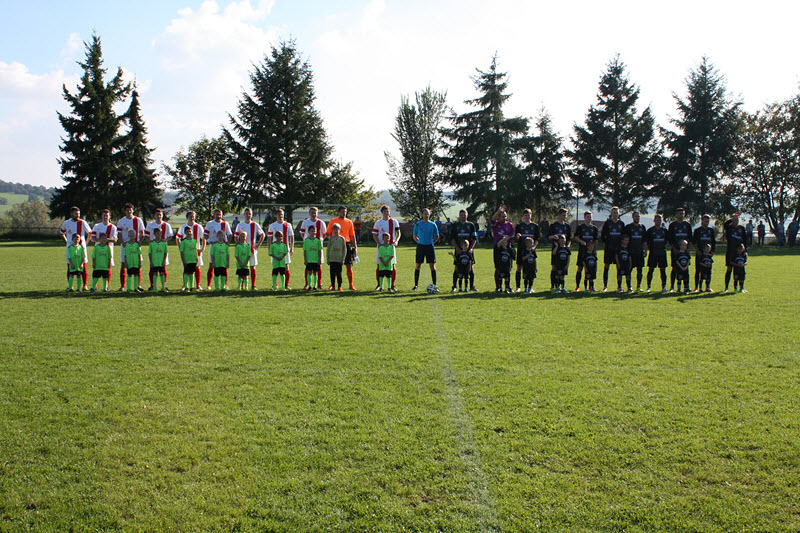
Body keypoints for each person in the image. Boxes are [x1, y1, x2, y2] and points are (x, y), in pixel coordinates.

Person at [60, 206, 92, 291]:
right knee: (70, 266)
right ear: (71, 214)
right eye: (76, 213)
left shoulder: (83, 222)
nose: (77, 215)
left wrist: (86, 242)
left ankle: (84, 285)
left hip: (81, 248)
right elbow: (61, 233)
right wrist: (67, 242)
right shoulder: (66, 223)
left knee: (83, 265)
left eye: (78, 213)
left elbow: (90, 232)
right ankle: (70, 286)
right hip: (71, 248)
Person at [325, 206, 357, 290]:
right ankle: (333, 285)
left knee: (348, 265)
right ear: (338, 212)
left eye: (345, 212)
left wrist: (355, 247)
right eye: (342, 211)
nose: (344, 213)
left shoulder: (349, 222)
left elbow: (352, 235)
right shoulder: (333, 221)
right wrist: (332, 240)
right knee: (335, 266)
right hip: (336, 244)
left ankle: (351, 284)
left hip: (346, 244)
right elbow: (327, 233)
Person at [234, 207, 265, 290]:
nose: (248, 215)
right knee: (243, 267)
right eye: (247, 213)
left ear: (252, 215)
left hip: (252, 249)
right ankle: (243, 286)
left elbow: (262, 234)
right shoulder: (240, 225)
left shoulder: (255, 224)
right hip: (242, 251)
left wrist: (258, 245)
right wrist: (238, 246)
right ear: (244, 214)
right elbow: (236, 236)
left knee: (252, 267)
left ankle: (253, 285)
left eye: (249, 213)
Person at [372, 205, 401, 292]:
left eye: (388, 211)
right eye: (385, 211)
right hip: (381, 247)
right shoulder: (378, 222)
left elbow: (398, 233)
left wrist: (396, 241)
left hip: (390, 247)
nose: (386, 213)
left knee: (392, 265)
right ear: (382, 212)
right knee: (379, 265)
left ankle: (392, 285)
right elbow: (374, 234)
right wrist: (378, 243)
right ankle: (379, 285)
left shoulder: (394, 221)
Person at [116, 203, 145, 291]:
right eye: (127, 210)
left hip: (135, 246)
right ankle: (123, 285)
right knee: (123, 264)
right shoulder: (121, 221)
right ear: (125, 211)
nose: (129, 211)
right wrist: (123, 242)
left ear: (133, 210)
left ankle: (138, 285)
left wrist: (139, 242)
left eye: (130, 210)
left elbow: (142, 233)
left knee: (137, 264)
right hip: (126, 246)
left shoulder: (138, 220)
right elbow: (119, 234)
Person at [145, 208, 174, 291]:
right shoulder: (150, 225)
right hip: (153, 249)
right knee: (152, 268)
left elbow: (170, 236)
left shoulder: (166, 225)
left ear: (162, 216)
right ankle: (152, 285)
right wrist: (150, 241)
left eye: (160, 215)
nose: (159, 216)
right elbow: (146, 235)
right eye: (157, 215)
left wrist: (165, 240)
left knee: (163, 268)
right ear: (155, 216)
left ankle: (163, 285)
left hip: (162, 249)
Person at [449, 209, 478, 292]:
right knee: (457, 267)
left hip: (468, 250)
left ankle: (472, 286)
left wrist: (471, 248)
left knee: (470, 267)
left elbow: (474, 238)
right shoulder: (455, 225)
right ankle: (454, 286)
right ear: (459, 216)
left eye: (464, 215)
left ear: (467, 215)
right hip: (459, 250)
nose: (463, 216)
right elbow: (452, 238)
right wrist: (457, 248)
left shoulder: (471, 225)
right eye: (461, 215)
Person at [299, 207, 327, 290]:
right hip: (308, 248)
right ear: (309, 213)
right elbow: (302, 233)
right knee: (308, 265)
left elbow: (324, 234)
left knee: (319, 264)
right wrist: (307, 241)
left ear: (317, 213)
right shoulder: (305, 222)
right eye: (311, 212)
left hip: (317, 247)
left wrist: (318, 242)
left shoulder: (321, 223)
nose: (313, 214)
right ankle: (307, 284)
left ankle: (319, 283)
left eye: (315, 212)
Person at [204, 209, 232, 290]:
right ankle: (209, 285)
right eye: (217, 214)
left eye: (220, 214)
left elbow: (230, 234)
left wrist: (228, 242)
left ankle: (224, 285)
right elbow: (205, 235)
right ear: (214, 215)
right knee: (211, 265)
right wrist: (209, 241)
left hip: (223, 247)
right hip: (214, 247)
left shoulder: (225, 223)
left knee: (224, 266)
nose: (218, 216)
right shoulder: (210, 223)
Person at [177, 211, 206, 290]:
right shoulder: (183, 227)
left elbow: (203, 238)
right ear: (187, 217)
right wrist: (180, 248)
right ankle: (184, 285)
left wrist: (203, 248)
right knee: (186, 268)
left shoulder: (198, 227)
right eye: (190, 216)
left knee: (197, 267)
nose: (192, 218)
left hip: (196, 252)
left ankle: (197, 285)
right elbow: (178, 238)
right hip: (187, 253)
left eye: (193, 216)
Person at [412, 208, 439, 290]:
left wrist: (431, 242)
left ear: (429, 215)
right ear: (422, 214)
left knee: (432, 266)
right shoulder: (418, 224)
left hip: (430, 247)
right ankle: (416, 285)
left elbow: (437, 236)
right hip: (420, 246)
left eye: (427, 214)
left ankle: (435, 285)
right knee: (418, 265)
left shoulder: (433, 224)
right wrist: (419, 242)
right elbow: (414, 235)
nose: (426, 215)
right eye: (425, 213)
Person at [667, 208, 693, 293]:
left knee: (686, 268)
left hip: (685, 251)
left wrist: (688, 249)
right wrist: (674, 249)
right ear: (676, 215)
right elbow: (670, 239)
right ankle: (672, 287)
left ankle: (687, 287)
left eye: (683, 214)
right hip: (676, 251)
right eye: (680, 214)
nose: (681, 215)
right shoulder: (672, 225)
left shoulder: (687, 225)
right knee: (675, 268)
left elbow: (690, 238)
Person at [514, 208, 540, 292]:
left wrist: (534, 247)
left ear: (531, 215)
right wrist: (517, 236)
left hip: (531, 250)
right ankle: (518, 287)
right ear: (523, 216)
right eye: (525, 215)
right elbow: (515, 238)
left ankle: (530, 287)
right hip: (522, 250)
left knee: (530, 268)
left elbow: (537, 238)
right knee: (519, 267)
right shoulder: (519, 226)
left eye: (528, 215)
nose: (527, 216)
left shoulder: (535, 226)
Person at [600, 206, 625, 292]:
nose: (615, 214)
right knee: (607, 266)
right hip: (609, 249)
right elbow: (603, 236)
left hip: (618, 250)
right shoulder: (608, 223)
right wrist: (607, 244)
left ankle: (619, 286)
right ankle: (605, 286)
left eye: (616, 212)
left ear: (619, 213)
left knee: (619, 266)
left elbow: (623, 237)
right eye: (614, 212)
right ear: (611, 213)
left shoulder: (621, 224)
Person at [491, 205, 515, 293]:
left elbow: (512, 234)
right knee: (498, 267)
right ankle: (498, 287)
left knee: (507, 267)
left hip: (507, 247)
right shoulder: (496, 224)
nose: (504, 218)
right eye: (502, 216)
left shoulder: (509, 225)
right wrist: (498, 211)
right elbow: (492, 220)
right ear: (499, 217)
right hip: (498, 248)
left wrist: (507, 239)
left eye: (505, 216)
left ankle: (507, 287)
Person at [573, 210, 599, 291]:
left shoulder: (594, 228)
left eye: (590, 217)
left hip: (591, 252)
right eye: (587, 217)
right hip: (582, 251)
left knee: (591, 269)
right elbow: (575, 237)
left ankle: (591, 287)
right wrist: (581, 241)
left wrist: (594, 248)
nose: (589, 219)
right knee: (580, 268)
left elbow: (596, 240)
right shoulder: (580, 227)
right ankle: (577, 286)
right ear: (584, 217)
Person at [90, 209, 118, 283]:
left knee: (108, 267)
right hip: (98, 249)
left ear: (110, 216)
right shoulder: (97, 226)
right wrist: (101, 240)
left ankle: (106, 285)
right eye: (104, 215)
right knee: (96, 267)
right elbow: (92, 238)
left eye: (107, 215)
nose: (105, 217)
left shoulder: (113, 227)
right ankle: (94, 285)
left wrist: (104, 240)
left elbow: (115, 240)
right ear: (102, 216)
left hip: (108, 249)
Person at [547, 208, 572, 290]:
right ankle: (553, 285)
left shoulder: (567, 226)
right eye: (563, 215)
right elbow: (548, 236)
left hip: (564, 250)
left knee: (563, 267)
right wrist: (553, 237)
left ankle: (561, 286)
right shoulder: (554, 225)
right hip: (556, 250)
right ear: (559, 215)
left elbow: (569, 239)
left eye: (566, 215)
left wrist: (568, 246)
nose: (565, 216)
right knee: (554, 267)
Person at [645, 214, 669, 292]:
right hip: (653, 253)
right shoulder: (650, 230)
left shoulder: (664, 230)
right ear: (654, 221)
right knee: (651, 269)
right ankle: (648, 286)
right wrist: (647, 250)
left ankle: (664, 287)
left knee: (663, 270)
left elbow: (666, 241)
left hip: (662, 253)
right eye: (657, 220)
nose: (658, 221)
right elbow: (647, 242)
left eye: (660, 220)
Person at [692, 214, 716, 292]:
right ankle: (696, 287)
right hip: (700, 254)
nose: (707, 223)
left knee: (708, 270)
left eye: (708, 221)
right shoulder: (698, 230)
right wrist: (697, 250)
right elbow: (694, 242)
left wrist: (712, 251)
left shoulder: (711, 230)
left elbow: (713, 242)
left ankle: (707, 287)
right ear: (702, 221)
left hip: (708, 254)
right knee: (698, 270)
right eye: (705, 221)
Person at [624, 211, 647, 291]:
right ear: (633, 217)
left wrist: (645, 250)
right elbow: (625, 239)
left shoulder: (642, 227)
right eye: (636, 216)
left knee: (640, 270)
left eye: (638, 216)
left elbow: (645, 240)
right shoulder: (628, 227)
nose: (637, 218)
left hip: (639, 252)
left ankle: (638, 286)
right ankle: (629, 286)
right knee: (629, 269)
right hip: (631, 252)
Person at [723, 213, 747, 292]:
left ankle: (741, 287)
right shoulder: (729, 228)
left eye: (737, 220)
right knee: (729, 269)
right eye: (734, 220)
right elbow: (725, 225)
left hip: (739, 253)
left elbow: (745, 240)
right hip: (730, 252)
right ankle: (726, 287)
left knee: (740, 269)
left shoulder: (742, 228)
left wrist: (745, 251)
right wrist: (731, 218)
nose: (735, 221)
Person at [327, 223, 347, 291]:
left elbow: (344, 249)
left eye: (337, 229)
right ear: (332, 230)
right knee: (332, 274)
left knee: (339, 273)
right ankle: (333, 286)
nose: (336, 231)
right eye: (334, 229)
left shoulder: (342, 239)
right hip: (332, 259)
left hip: (339, 259)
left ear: (340, 230)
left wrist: (343, 259)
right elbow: (328, 249)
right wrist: (328, 259)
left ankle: (339, 286)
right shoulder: (331, 239)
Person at [302, 225, 323, 290]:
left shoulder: (318, 241)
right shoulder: (306, 241)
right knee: (309, 272)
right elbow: (305, 251)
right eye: (311, 231)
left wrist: (319, 259)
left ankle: (315, 286)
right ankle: (309, 285)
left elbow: (320, 251)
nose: (313, 232)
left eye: (314, 231)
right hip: (309, 260)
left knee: (315, 272)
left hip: (316, 260)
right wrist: (305, 260)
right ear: (308, 232)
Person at [179, 226, 199, 292]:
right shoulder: (183, 241)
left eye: (190, 231)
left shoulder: (194, 241)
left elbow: (196, 250)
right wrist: (183, 260)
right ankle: (186, 287)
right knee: (186, 273)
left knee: (192, 272)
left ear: (192, 232)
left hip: (193, 259)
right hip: (187, 259)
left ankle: (192, 286)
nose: (189, 233)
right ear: (185, 233)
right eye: (187, 232)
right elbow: (181, 251)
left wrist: (197, 258)